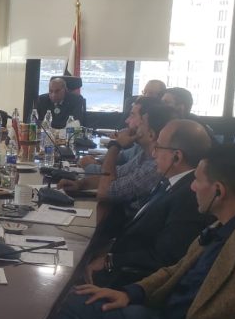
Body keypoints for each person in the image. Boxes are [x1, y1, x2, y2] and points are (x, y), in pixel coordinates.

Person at [16, 143, 235, 319]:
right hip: (159, 318)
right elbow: (175, 270)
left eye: (198, 181)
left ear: (218, 191)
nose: (192, 187)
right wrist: (130, 293)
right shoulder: (221, 227)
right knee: (73, 303)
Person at [84, 119, 212, 288]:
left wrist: (111, 260)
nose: (153, 154)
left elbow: (164, 258)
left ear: (177, 157)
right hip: (118, 259)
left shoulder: (189, 196)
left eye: (158, 147)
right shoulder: (171, 182)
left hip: (128, 282)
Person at [60, 99, 170, 222]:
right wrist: (81, 184)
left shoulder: (153, 167)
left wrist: (115, 145)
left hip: (127, 225)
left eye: (142, 123)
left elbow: (105, 192)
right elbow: (118, 175)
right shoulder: (145, 155)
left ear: (151, 135)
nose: (135, 124)